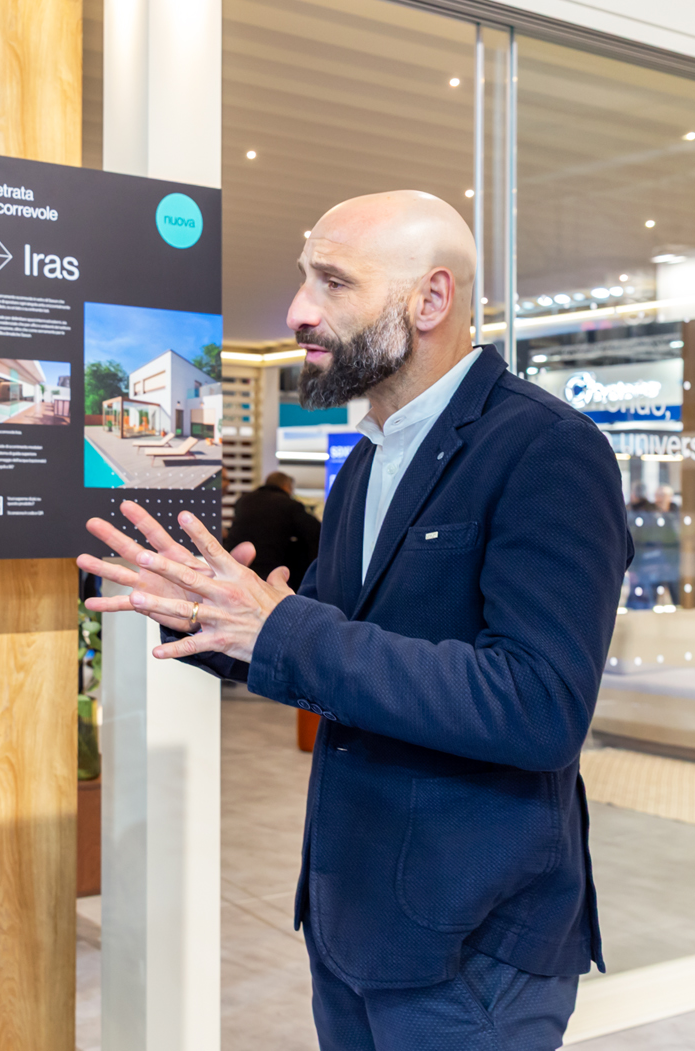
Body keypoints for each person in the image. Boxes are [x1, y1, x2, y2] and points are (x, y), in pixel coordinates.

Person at [78, 190, 631, 1049]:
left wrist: (280, 628)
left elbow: (539, 705)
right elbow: (330, 645)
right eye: (306, 280)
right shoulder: (369, 461)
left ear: (431, 299)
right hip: (352, 920)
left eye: (333, 282)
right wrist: (208, 618)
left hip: (474, 949)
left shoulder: (548, 448)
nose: (299, 311)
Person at [223, 471, 321, 592]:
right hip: (268, 573)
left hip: (235, 567)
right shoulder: (289, 505)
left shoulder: (243, 500)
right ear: (286, 486)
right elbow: (315, 531)